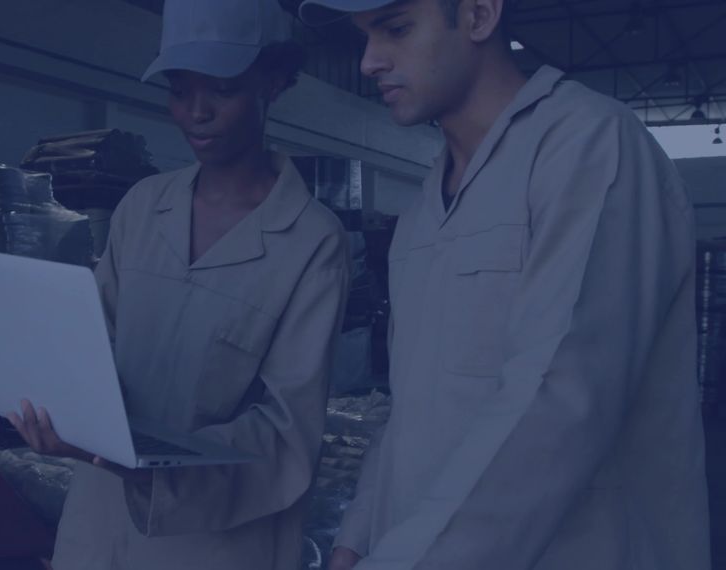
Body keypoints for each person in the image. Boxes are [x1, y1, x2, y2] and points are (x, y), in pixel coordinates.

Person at [294, 0, 712, 569]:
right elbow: (409, 407)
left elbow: (560, 400)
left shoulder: (589, 147)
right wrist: (357, 536)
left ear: (479, 15)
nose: (368, 61)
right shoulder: (423, 210)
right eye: (363, 38)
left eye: (395, 29)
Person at [7, 0, 351, 568]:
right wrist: (54, 400)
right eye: (179, 89)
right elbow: (93, 349)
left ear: (275, 81)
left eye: (220, 89)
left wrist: (134, 460)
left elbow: (286, 436)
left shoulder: (311, 241)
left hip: (216, 543)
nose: (196, 113)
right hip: (98, 524)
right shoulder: (143, 207)